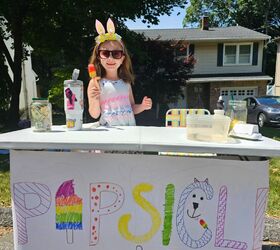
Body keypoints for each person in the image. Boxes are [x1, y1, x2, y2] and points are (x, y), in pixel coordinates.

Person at [87, 18, 152, 126]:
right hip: (108, 131)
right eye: (105, 53)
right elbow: (94, 114)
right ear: (98, 58)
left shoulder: (126, 83)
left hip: (129, 129)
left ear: (122, 59)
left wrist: (142, 106)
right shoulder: (95, 83)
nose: (110, 58)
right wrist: (94, 99)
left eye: (116, 54)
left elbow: (131, 108)